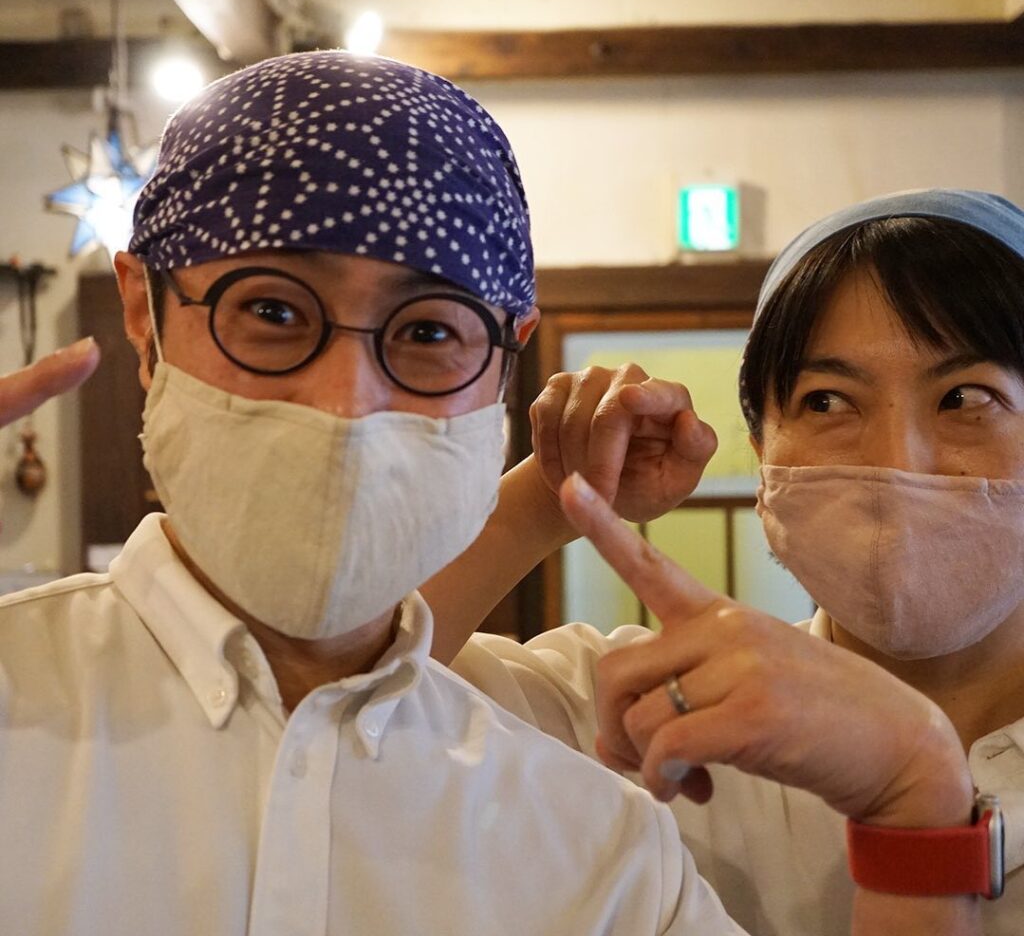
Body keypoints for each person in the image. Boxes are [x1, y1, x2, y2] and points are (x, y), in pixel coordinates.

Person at [0, 53, 980, 933]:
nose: (346, 403)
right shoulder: (606, 719)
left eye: (428, 332)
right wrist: (551, 498)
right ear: (143, 312)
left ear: (506, 358)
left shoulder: (598, 841)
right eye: (270, 309)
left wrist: (913, 795)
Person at [434, 188, 1024, 935]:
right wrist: (549, 498)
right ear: (762, 456)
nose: (896, 461)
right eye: (826, 402)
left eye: (966, 396)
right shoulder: (640, 714)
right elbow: (337, 691)